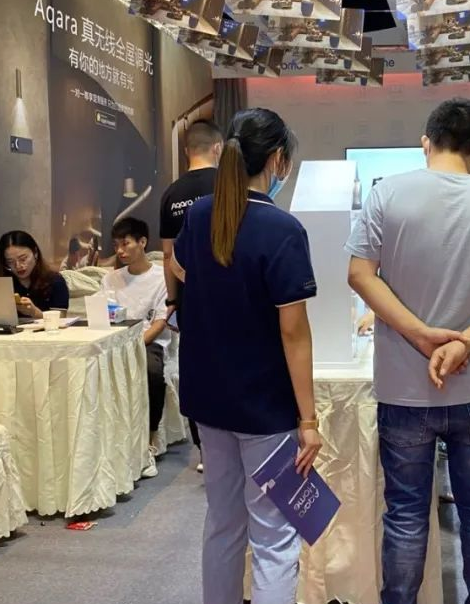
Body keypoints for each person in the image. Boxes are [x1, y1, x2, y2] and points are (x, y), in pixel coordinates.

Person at [346, 98, 470, 604]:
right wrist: (465, 342)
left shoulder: (387, 195)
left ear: (426, 142)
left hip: (403, 387)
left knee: (406, 515)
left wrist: (419, 335)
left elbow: (359, 274)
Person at [171, 108, 322, 604]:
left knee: (223, 522)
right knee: (274, 537)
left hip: (208, 398)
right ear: (277, 159)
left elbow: (184, 271)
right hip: (265, 407)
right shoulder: (282, 229)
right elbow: (294, 332)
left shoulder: (199, 215)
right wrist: (309, 420)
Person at [102, 217, 170, 479]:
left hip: (147, 342)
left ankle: (149, 441)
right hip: (114, 341)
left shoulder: (161, 277)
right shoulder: (111, 279)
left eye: (125, 243)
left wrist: (135, 345)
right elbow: (103, 316)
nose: (120, 251)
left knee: (152, 372)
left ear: (142, 242)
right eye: (116, 245)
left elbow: (161, 322)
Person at [160, 119, 223, 322]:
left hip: (189, 296)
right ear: (218, 148)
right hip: (227, 291)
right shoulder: (228, 186)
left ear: (186, 151)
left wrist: (172, 300)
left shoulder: (171, 194)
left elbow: (168, 254)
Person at [0, 230, 69, 319]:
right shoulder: (0, 284)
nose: (18, 266)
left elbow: (60, 319)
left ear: (35, 253)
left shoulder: (55, 281)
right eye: (10, 262)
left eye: (23, 259)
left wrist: (34, 312)